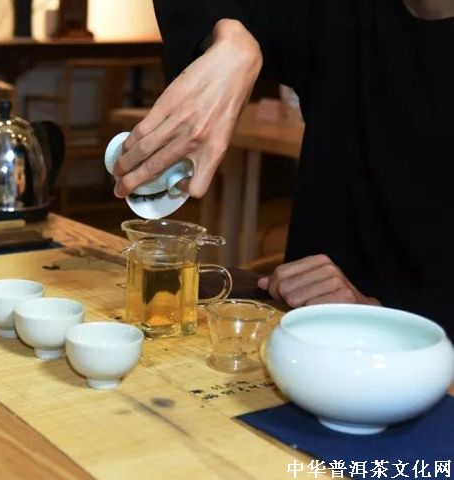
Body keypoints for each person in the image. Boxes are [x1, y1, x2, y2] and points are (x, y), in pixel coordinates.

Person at [113, 1, 453, 334]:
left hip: (420, 349)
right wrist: (229, 37)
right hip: (300, 334)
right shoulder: (336, 14)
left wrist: (377, 311)